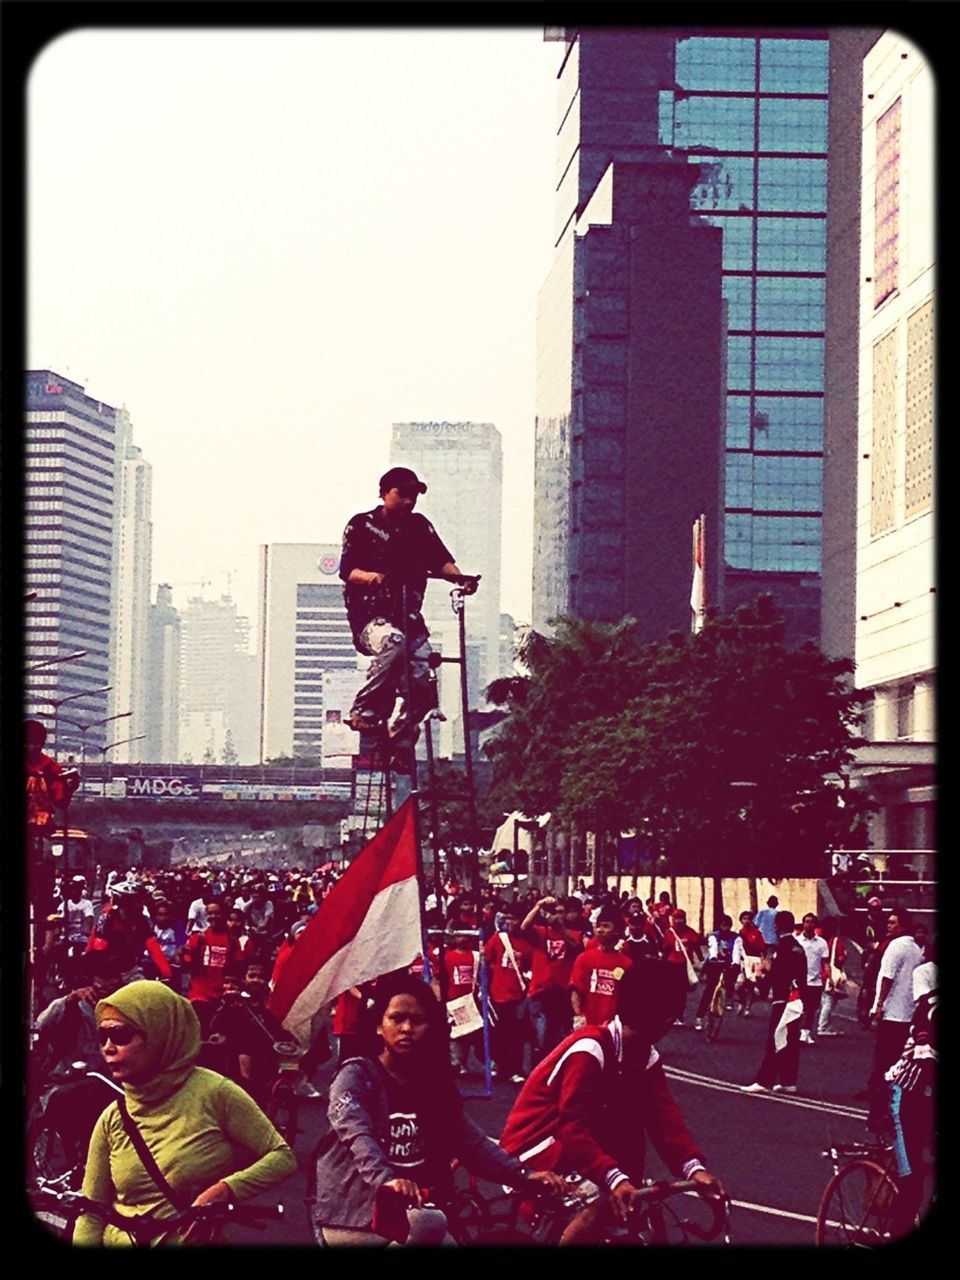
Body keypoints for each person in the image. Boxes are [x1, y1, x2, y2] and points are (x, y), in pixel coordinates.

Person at [309, 973, 563, 1245]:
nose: (407, 1027)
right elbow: (357, 1135)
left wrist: (525, 1177)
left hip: (414, 1216)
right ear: (379, 1027)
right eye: (396, 1018)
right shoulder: (356, 1076)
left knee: (433, 1225)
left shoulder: (432, 1084)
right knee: (429, 1222)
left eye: (417, 1020)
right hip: (353, 1218)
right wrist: (387, 1181)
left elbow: (472, 1143)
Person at [499, 957, 725, 1245]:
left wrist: (695, 1170)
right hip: (536, 1149)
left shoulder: (644, 1054)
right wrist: (614, 1178)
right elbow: (572, 1126)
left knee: (631, 1199)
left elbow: (664, 1119)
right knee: (603, 1203)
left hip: (575, 1147)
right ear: (666, 1017)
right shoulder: (590, 1049)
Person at [74, 980, 296, 1245]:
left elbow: (282, 1157)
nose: (108, 1047)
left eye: (121, 1035)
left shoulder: (215, 1093)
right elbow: (90, 1214)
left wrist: (225, 1190)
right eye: (103, 1037)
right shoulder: (112, 1119)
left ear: (159, 1034)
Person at [338, 466, 477, 750]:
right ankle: (365, 709)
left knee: (424, 679)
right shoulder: (362, 525)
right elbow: (347, 570)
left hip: (410, 616)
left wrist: (461, 579)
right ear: (384, 493)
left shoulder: (419, 527)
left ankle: (401, 734)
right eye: (402, 494)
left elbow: (441, 561)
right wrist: (372, 577)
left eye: (413, 496)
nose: (409, 501)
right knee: (394, 643)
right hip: (371, 616)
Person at [865, 909, 924, 1137]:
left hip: (892, 1016)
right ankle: (895, 1113)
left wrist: (878, 1004)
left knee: (882, 1068)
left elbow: (887, 977)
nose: (888, 925)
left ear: (903, 926)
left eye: (892, 922)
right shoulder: (915, 948)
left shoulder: (896, 946)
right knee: (899, 1067)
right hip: (907, 1016)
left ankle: (878, 1117)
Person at [741, 911, 807, 1095]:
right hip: (797, 999)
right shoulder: (798, 948)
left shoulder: (783, 948)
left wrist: (763, 974)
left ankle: (765, 1080)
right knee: (790, 1041)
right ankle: (788, 1080)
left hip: (783, 999)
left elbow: (778, 975)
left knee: (775, 1039)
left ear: (777, 926)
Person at [520, 894, 584, 1063]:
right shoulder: (540, 932)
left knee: (559, 1037)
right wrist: (538, 906)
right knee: (541, 1034)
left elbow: (575, 947)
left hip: (561, 992)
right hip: (540, 991)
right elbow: (524, 927)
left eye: (561, 912)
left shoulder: (574, 934)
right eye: (554, 912)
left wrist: (561, 928)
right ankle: (537, 1068)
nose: (557, 915)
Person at [482, 903, 533, 1084]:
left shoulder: (527, 945)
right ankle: (499, 1065)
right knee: (498, 1033)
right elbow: (486, 959)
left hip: (518, 995)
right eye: (508, 918)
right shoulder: (498, 939)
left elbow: (528, 968)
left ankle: (515, 1068)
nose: (511, 922)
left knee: (516, 1035)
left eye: (514, 918)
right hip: (498, 993)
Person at [181, 896, 245, 1035]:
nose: (213, 916)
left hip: (221, 994)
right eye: (210, 913)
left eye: (217, 913)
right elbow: (187, 963)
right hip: (200, 993)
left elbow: (237, 967)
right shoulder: (199, 937)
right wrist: (184, 955)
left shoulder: (232, 941)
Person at [569, 907, 633, 1030]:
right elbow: (575, 990)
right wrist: (578, 1017)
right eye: (598, 926)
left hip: (614, 1028)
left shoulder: (627, 964)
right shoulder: (583, 959)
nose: (600, 930)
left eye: (605, 926)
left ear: (616, 931)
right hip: (587, 1026)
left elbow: (628, 999)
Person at [693, 915, 738, 1031]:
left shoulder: (735, 938)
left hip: (728, 963)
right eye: (724, 926)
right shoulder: (714, 936)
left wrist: (736, 962)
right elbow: (713, 948)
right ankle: (699, 1016)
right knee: (709, 989)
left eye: (728, 926)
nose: (726, 929)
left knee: (731, 978)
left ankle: (728, 998)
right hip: (714, 964)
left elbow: (737, 951)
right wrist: (713, 957)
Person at [660, 909, 702, 1027]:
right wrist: (662, 964)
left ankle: (679, 1016)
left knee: (681, 993)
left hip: (684, 965)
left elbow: (696, 946)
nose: (679, 921)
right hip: (672, 964)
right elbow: (666, 949)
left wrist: (701, 961)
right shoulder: (669, 932)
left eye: (681, 918)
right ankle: (670, 1015)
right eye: (676, 918)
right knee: (670, 991)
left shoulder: (690, 932)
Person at [795, 912, 830, 1044]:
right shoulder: (797, 941)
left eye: (811, 922)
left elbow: (825, 962)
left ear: (815, 925)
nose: (808, 924)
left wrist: (828, 977)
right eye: (806, 921)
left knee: (811, 1008)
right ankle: (797, 1031)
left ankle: (806, 1032)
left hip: (815, 981)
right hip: (799, 980)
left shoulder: (821, 943)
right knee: (799, 1008)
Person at [731, 909, 766, 1015]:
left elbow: (762, 948)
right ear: (741, 921)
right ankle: (741, 1001)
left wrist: (762, 961)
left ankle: (748, 1007)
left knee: (750, 985)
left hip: (753, 960)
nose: (746, 921)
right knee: (739, 985)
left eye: (748, 919)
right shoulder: (739, 934)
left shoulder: (757, 933)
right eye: (744, 919)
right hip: (742, 961)